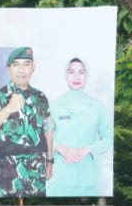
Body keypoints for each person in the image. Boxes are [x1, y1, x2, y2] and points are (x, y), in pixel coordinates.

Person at [0, 46, 52, 199]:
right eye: (16, 65)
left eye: (26, 64)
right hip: (8, 175)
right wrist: (7, 109)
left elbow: (48, 130)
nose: (21, 70)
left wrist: (50, 160)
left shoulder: (41, 97)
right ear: (8, 69)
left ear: (33, 68)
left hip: (35, 173)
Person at [46, 57, 110, 197]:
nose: (76, 77)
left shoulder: (98, 107)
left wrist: (86, 150)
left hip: (89, 180)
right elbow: (41, 137)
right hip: (59, 179)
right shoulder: (53, 106)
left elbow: (108, 139)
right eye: (71, 72)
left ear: (87, 76)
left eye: (81, 72)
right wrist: (61, 148)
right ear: (65, 75)